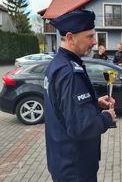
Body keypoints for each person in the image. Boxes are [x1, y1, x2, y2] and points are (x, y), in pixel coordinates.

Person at [43, 10, 117, 182]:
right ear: (70, 37)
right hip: (75, 167)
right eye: (89, 36)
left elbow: (64, 108)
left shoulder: (58, 64)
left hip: (63, 159)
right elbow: (81, 127)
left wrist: (94, 103)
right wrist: (107, 117)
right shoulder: (70, 72)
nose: (94, 41)